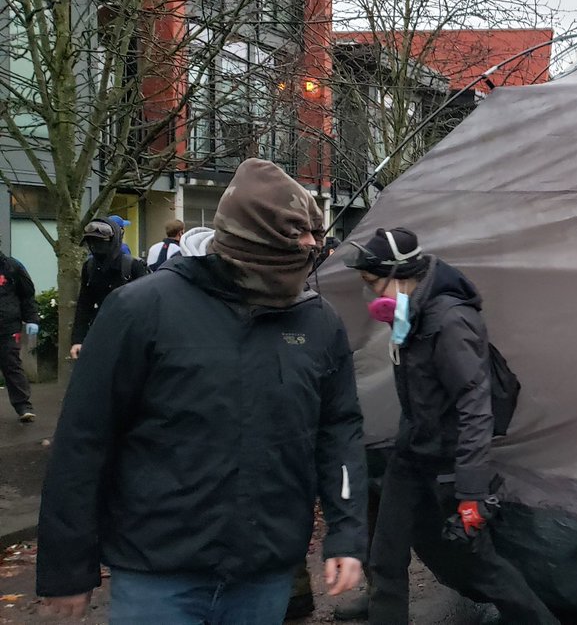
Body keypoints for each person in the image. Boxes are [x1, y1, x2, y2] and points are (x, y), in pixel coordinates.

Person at [37, 158, 368, 621]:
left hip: (266, 572)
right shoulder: (141, 310)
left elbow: (340, 432)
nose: (309, 249)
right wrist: (67, 569)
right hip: (157, 573)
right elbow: (83, 439)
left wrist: (347, 532)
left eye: (313, 238)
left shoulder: (319, 322)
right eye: (296, 238)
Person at [347, 228, 558, 625]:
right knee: (386, 550)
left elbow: (476, 408)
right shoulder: (410, 311)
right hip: (411, 449)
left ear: (402, 273)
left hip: (448, 458)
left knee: (479, 562)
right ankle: (383, 612)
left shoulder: (451, 322)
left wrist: (471, 491)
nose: (374, 296)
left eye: (375, 284)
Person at [70, 218, 148, 359]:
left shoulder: (133, 266)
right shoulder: (89, 267)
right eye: (92, 242)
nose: (95, 246)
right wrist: (78, 340)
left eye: (101, 242)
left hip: (131, 336)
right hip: (100, 332)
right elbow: (84, 304)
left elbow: (147, 307)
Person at [0, 245, 38, 423]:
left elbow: (27, 295)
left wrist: (31, 319)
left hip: (8, 327)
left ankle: (23, 406)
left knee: (11, 363)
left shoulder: (12, 267)